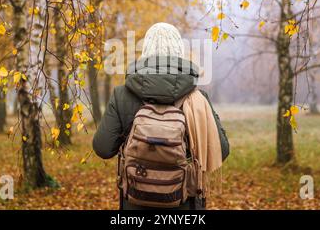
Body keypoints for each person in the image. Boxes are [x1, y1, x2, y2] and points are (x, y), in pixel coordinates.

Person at [92, 22, 230, 210]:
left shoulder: (122, 94)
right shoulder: (197, 97)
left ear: (146, 49)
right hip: (184, 204)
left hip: (135, 202)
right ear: (179, 49)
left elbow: (103, 148)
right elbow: (221, 150)